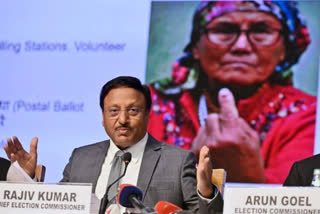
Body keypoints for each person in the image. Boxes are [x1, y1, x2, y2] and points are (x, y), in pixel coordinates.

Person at [147, 1, 317, 184]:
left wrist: (243, 173)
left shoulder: (310, 116)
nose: (241, 46)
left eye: (261, 31)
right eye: (224, 30)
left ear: (284, 49)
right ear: (196, 46)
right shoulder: (147, 105)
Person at [5, 76, 223, 213]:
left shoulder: (177, 160)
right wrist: (27, 179)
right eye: (114, 111)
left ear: (148, 116)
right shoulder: (81, 158)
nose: (123, 120)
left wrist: (205, 190)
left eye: (133, 111)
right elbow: (57, 207)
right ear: (103, 117)